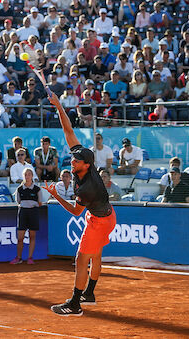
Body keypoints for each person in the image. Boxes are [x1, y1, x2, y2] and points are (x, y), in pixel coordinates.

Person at [43, 90, 116, 317]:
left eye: (76, 161)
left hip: (99, 221)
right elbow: (68, 130)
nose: (72, 161)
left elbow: (75, 212)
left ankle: (75, 304)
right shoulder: (84, 161)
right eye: (73, 158)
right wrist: (58, 105)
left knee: (81, 258)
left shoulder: (87, 188)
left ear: (86, 165)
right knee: (95, 255)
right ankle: (90, 293)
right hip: (106, 216)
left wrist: (55, 195)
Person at [11, 167, 43, 265]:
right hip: (23, 212)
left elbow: (40, 203)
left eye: (29, 174)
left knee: (32, 236)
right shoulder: (19, 189)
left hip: (33, 212)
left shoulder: (37, 189)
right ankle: (19, 257)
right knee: (20, 238)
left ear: (32, 176)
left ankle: (30, 258)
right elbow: (19, 202)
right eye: (26, 174)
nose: (27, 176)